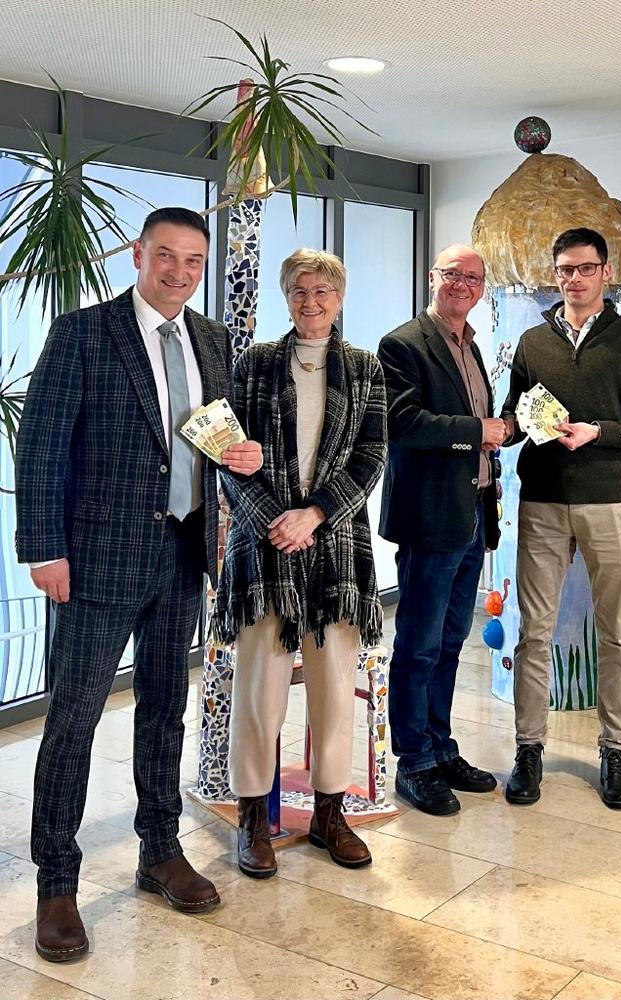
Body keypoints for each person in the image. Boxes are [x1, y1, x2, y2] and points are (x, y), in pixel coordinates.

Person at [15, 207, 263, 962]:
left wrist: (243, 456)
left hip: (184, 555)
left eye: (193, 261)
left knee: (164, 711)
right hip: (97, 560)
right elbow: (41, 449)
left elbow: (215, 432)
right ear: (138, 254)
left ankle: (160, 850)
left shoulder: (212, 339)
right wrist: (44, 550)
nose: (179, 272)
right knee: (74, 721)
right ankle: (57, 883)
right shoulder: (83, 334)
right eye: (166, 256)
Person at [211, 249, 387, 873]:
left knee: (334, 690)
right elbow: (226, 454)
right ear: (286, 297)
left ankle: (329, 816)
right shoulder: (254, 364)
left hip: (336, 546)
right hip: (264, 550)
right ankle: (253, 819)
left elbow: (372, 456)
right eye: (299, 291)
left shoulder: (365, 369)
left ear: (340, 298)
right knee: (259, 691)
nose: (311, 302)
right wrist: (274, 521)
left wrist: (314, 516)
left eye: (322, 292)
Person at [500, 227, 621, 810]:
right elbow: (515, 414)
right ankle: (528, 749)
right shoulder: (532, 342)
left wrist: (599, 432)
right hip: (542, 502)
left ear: (606, 272)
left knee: (616, 633)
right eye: (564, 270)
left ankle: (615, 752)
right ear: (555, 275)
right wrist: (510, 427)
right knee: (534, 633)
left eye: (585, 268)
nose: (573, 279)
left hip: (608, 501)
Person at [378, 244, 501, 816]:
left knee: (451, 641)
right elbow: (403, 422)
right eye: (453, 274)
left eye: (472, 278)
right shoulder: (403, 344)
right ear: (433, 278)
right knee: (419, 644)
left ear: (481, 288)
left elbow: (479, 427)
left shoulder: (470, 345)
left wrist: (502, 431)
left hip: (471, 512)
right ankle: (414, 761)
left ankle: (441, 746)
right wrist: (478, 430)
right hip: (429, 517)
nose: (462, 284)